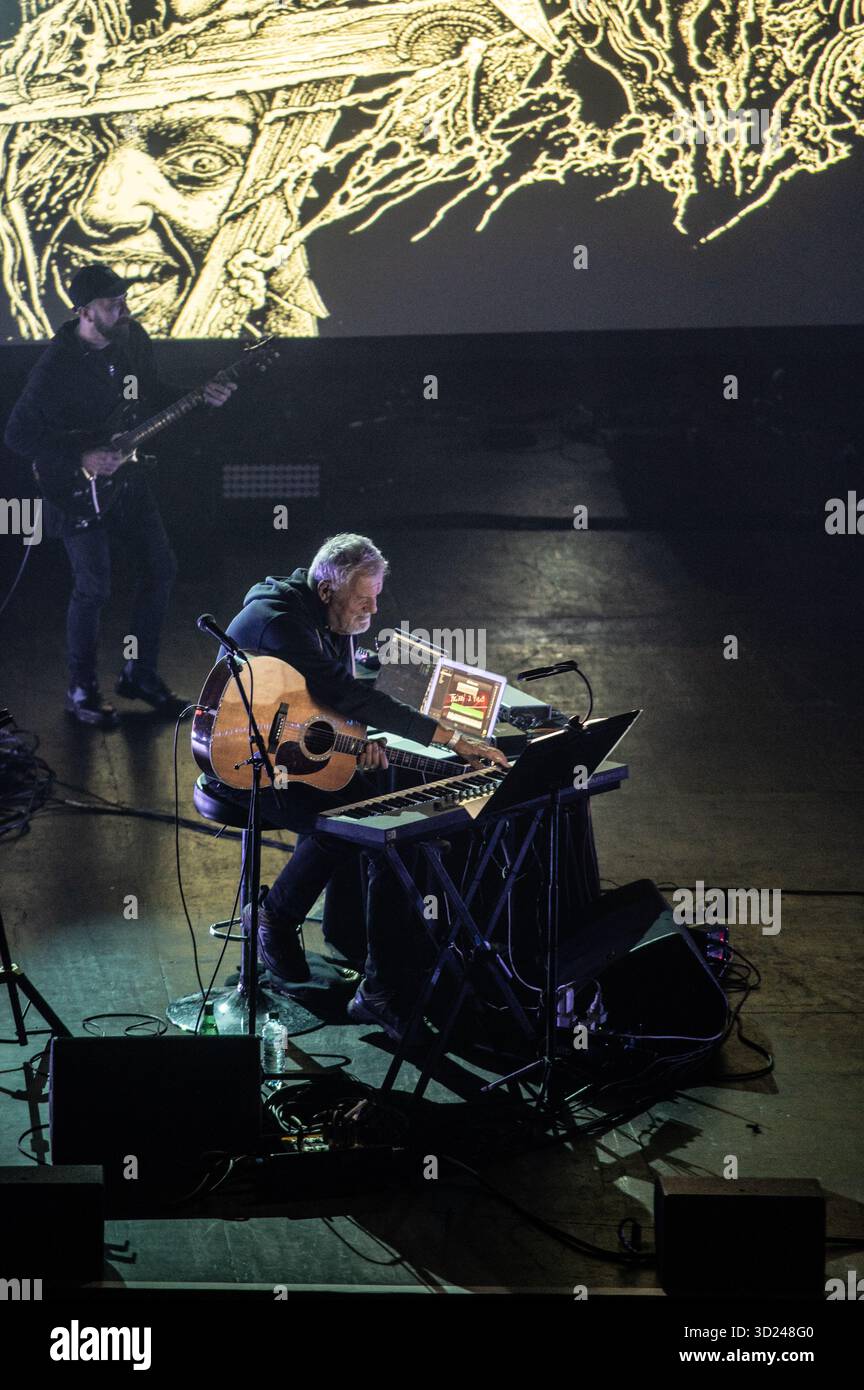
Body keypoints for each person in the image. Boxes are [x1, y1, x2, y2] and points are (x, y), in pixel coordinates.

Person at [211, 532, 508, 1040]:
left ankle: (317, 939)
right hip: (245, 764)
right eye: (363, 599)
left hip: (289, 751)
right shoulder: (282, 622)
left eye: (376, 597)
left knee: (377, 811)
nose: (373, 609)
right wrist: (452, 738)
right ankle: (362, 978)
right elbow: (344, 692)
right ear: (327, 591)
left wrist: (355, 737)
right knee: (378, 831)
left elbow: (328, 702)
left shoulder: (325, 616)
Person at [4, 263, 235, 726]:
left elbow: (150, 394)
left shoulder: (133, 341)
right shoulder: (57, 364)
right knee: (93, 587)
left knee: (160, 567)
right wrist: (83, 456)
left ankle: (140, 675)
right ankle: (81, 690)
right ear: (85, 311)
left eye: (124, 301)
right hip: (73, 487)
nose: (124, 310)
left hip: (126, 477)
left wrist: (200, 397)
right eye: (113, 304)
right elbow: (18, 434)